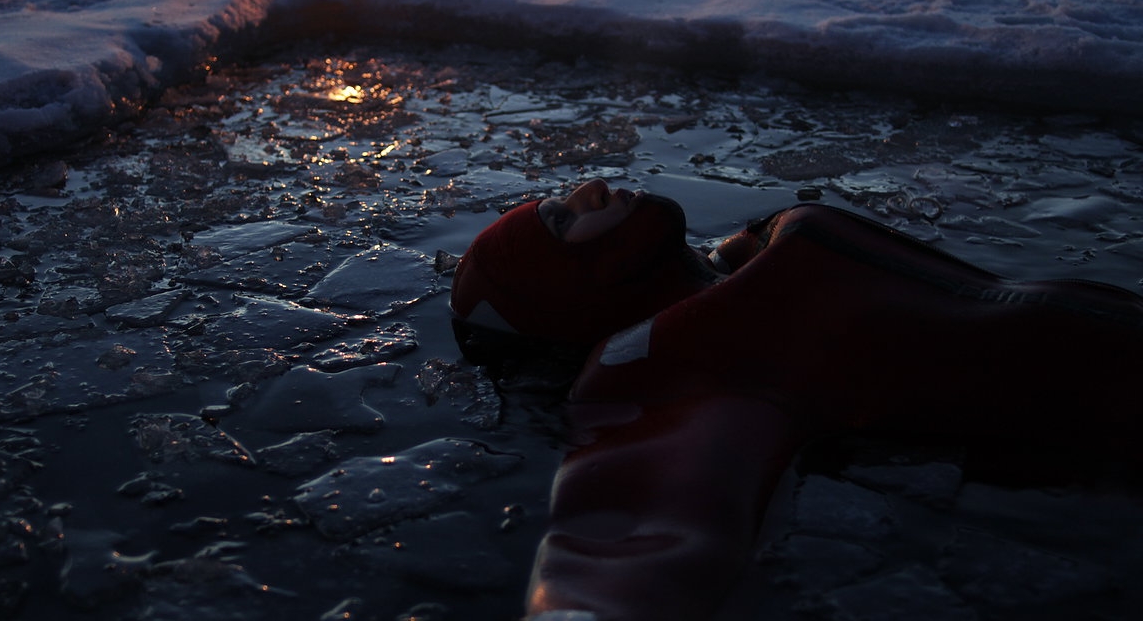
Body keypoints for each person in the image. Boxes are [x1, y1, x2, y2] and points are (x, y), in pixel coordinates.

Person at [450, 179, 1143, 621]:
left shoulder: (746, 258)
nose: (591, 187)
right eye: (562, 221)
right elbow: (643, 516)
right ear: (563, 293)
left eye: (563, 198)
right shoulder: (664, 357)